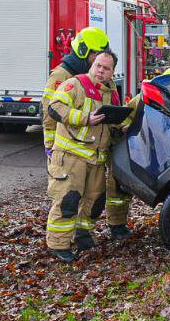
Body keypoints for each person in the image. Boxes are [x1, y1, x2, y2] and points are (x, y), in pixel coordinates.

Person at [41, 27, 134, 240]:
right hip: (70, 151)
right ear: (84, 52)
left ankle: (84, 234)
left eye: (105, 65)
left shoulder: (107, 84)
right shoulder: (64, 76)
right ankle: (60, 242)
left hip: (96, 151)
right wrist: (51, 146)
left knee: (95, 197)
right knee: (68, 199)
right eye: (95, 56)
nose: (99, 64)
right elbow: (50, 112)